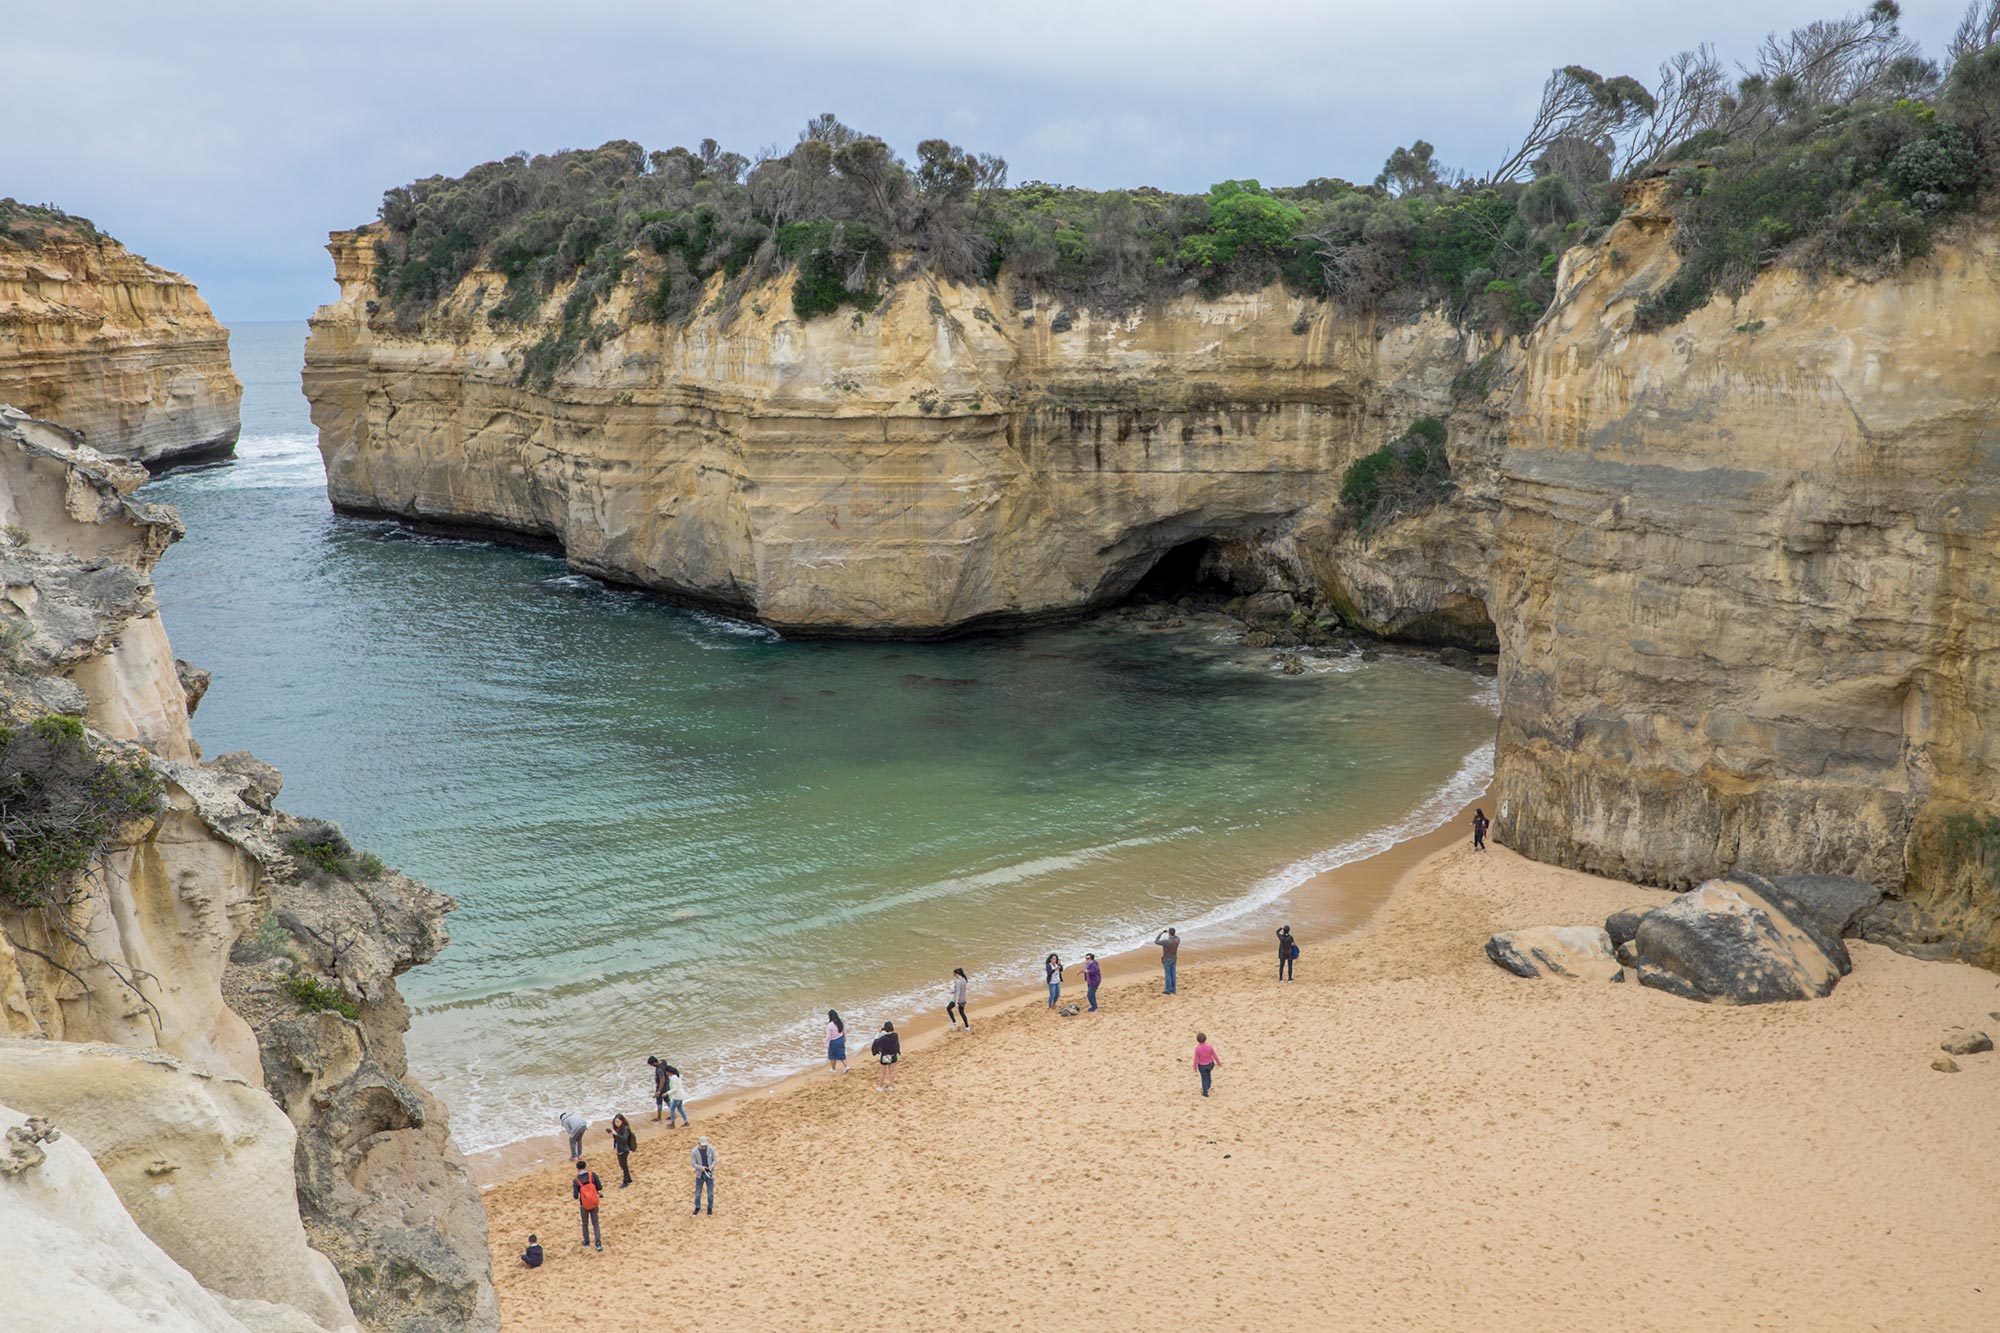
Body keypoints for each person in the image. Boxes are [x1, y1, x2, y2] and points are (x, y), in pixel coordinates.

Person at [572, 1159, 604, 1250]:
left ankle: (586, 1242)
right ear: (585, 1167)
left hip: (584, 1205)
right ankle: (598, 1243)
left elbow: (575, 1196)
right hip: (594, 1202)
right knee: (595, 1222)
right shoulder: (592, 1175)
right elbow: (600, 1187)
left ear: (577, 1169)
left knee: (585, 1224)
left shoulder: (576, 1181)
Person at [606, 1113, 637, 1186]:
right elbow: (617, 1139)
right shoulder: (618, 1129)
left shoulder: (625, 1129)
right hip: (619, 1149)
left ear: (622, 1121)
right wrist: (613, 1135)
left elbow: (624, 1139)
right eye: (615, 1121)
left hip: (624, 1150)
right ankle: (628, 1178)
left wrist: (616, 1134)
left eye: (618, 1122)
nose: (616, 1123)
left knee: (624, 1165)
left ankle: (626, 1180)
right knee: (622, 1165)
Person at [871, 1020, 901, 1091]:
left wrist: (878, 1032)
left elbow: (875, 1042)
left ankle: (880, 1087)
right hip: (893, 1056)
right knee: (892, 1071)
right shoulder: (895, 1035)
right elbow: (897, 1045)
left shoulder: (883, 1038)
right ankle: (891, 1086)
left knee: (883, 1073)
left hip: (885, 1057)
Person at [691, 1136, 717, 1215]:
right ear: (699, 1144)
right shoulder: (694, 1151)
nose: (704, 1147)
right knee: (698, 1193)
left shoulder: (710, 1149)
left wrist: (711, 1167)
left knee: (710, 1193)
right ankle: (697, 1207)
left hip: (709, 1174)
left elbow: (714, 1160)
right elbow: (693, 1164)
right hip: (700, 1174)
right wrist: (701, 1168)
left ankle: (710, 1208)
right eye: (702, 1145)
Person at [1193, 1032, 1221, 1098]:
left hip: (1202, 1066)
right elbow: (1215, 1055)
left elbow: (1196, 1059)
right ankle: (1208, 1085)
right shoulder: (1209, 1047)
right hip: (1210, 1064)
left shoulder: (1197, 1049)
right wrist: (1218, 1063)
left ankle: (1205, 1092)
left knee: (1204, 1078)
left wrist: (1195, 1067)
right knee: (1208, 1074)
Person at [1155, 928, 1180, 994]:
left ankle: (1168, 989)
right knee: (1173, 974)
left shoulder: (1166, 942)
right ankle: (1173, 989)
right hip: (1174, 958)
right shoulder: (1177, 940)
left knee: (1168, 975)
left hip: (1167, 959)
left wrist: (1160, 934)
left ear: (1169, 933)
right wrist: (1171, 933)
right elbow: (1176, 937)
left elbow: (1156, 941)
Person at [647, 1055, 670, 1122]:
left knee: (659, 1101)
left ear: (654, 1063)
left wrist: (659, 1091)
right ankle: (672, 1113)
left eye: (651, 1064)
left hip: (662, 1087)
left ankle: (659, 1117)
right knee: (667, 1100)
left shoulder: (659, 1070)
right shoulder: (663, 1062)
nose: (652, 1066)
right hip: (667, 1084)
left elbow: (662, 1080)